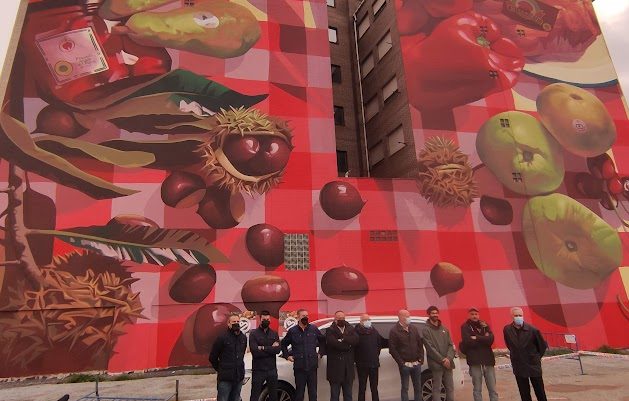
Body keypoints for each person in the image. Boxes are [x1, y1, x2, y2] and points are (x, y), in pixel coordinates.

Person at [503, 307, 548, 401]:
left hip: (533, 364)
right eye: (516, 315)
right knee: (524, 393)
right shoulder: (507, 329)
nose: (518, 317)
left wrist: (535, 357)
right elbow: (509, 345)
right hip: (518, 365)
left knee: (540, 391)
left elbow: (542, 346)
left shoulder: (533, 330)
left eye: (520, 315)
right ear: (512, 316)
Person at [281, 309, 324, 401]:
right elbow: (283, 344)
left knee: (313, 393)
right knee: (299, 394)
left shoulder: (313, 329)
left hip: (312, 367)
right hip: (299, 368)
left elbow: (323, 341)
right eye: (303, 315)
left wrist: (320, 353)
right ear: (298, 317)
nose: (305, 317)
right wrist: (287, 356)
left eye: (307, 315)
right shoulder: (293, 331)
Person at [460, 307, 498, 401]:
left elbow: (491, 340)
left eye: (476, 314)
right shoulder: (465, 326)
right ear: (469, 315)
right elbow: (468, 342)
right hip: (475, 361)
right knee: (477, 389)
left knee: (493, 388)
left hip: (488, 361)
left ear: (479, 315)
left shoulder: (484, 325)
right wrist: (483, 338)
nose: (474, 316)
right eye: (472, 314)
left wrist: (476, 337)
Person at [209, 312, 248, 401]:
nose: (236, 323)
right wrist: (221, 369)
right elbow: (212, 357)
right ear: (228, 323)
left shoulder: (243, 338)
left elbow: (242, 354)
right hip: (225, 379)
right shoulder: (222, 338)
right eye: (233, 321)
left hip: (238, 378)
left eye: (238, 321)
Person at [388, 309, 424, 401]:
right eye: (407, 316)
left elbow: (420, 344)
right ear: (400, 317)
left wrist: (421, 358)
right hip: (405, 364)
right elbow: (392, 349)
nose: (409, 318)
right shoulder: (394, 331)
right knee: (405, 387)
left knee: (418, 387)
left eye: (409, 316)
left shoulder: (413, 328)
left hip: (416, 363)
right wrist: (401, 363)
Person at [422, 306, 456, 401]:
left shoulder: (444, 329)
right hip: (436, 364)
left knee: (450, 387)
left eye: (436, 313)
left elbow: (450, 345)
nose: (435, 315)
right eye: (433, 313)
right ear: (429, 315)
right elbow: (430, 348)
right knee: (437, 388)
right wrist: (442, 360)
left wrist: (448, 358)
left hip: (448, 363)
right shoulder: (426, 330)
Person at [326, 310, 359, 401]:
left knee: (348, 396)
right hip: (335, 370)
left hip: (348, 369)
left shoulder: (351, 328)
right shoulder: (330, 330)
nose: (341, 320)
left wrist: (343, 339)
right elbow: (334, 344)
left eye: (343, 318)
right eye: (339, 318)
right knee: (334, 396)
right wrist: (348, 344)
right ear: (335, 319)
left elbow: (356, 340)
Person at [249, 310, 281, 401]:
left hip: (272, 369)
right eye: (264, 319)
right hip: (258, 370)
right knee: (255, 395)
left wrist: (263, 348)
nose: (266, 321)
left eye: (267, 319)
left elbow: (278, 350)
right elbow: (255, 352)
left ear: (270, 320)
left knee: (273, 396)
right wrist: (271, 348)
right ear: (260, 320)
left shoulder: (274, 333)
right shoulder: (254, 334)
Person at [354, 313, 383, 401]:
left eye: (368, 319)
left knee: (374, 388)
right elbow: (354, 348)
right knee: (362, 388)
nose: (367, 321)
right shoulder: (356, 332)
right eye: (365, 320)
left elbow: (379, 345)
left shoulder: (374, 331)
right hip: (362, 365)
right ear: (361, 321)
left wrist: (375, 356)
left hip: (374, 364)